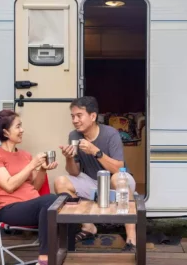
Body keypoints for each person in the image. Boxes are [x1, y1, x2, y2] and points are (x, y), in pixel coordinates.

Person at [54, 96, 137, 252]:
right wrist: (69, 158)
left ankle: (131, 238)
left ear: (92, 116)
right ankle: (88, 227)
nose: (75, 120)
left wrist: (95, 151)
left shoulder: (110, 133)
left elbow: (119, 169)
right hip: (92, 183)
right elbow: (74, 172)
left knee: (118, 178)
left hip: (118, 182)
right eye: (72, 116)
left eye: (79, 116)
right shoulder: (74, 136)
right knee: (60, 182)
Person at [0, 109, 68, 265]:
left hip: (34, 207)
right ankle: (44, 258)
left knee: (65, 200)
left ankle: (69, 252)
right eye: (18, 126)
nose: (22, 130)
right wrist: (32, 165)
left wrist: (42, 168)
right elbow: (8, 186)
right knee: (50, 200)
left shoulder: (25, 155)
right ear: (5, 132)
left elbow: (35, 187)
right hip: (9, 209)